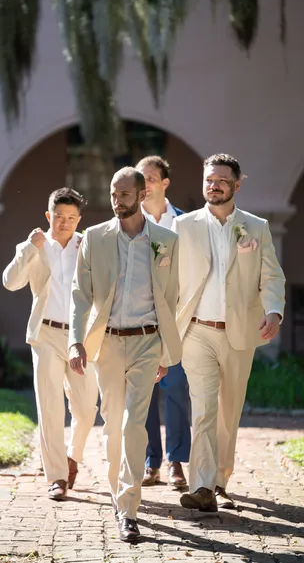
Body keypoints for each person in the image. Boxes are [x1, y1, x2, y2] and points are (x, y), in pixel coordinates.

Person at [68, 167, 182, 543]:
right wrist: (76, 340)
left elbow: (171, 298)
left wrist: (166, 349)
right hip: (109, 344)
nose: (117, 200)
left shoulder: (164, 240)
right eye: (114, 195)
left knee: (136, 423)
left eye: (124, 194)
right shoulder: (96, 238)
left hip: (148, 342)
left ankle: (128, 508)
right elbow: (80, 294)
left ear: (142, 194)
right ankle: (120, 493)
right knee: (113, 423)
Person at [172, 153, 285, 512]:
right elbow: (168, 279)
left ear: (236, 185)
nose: (213, 185)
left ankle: (220, 480)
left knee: (228, 411)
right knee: (203, 409)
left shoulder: (256, 228)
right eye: (208, 179)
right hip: (197, 332)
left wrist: (273, 310)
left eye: (221, 180)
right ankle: (202, 486)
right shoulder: (183, 226)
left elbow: (271, 277)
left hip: (239, 333)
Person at [2, 187, 98, 501]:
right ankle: (56, 476)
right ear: (48, 216)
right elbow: (10, 282)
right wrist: (29, 249)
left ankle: (73, 455)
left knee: (85, 408)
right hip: (45, 335)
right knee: (50, 407)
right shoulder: (34, 246)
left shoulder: (88, 246)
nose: (64, 223)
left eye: (71, 218)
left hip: (81, 337)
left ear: (79, 218)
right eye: (59, 217)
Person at [136, 155, 191, 490]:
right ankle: (150, 462)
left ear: (165, 182)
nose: (146, 185)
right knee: (143, 394)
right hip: (139, 319)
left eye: (152, 178)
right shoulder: (129, 222)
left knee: (174, 391)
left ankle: (175, 462)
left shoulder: (185, 223)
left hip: (176, 320)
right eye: (142, 179)